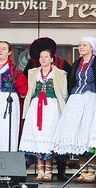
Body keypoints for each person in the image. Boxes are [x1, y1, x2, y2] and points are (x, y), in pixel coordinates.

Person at [22, 37, 72, 181]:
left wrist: (64, 111)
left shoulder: (60, 73)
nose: (43, 59)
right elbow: (30, 91)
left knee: (48, 137)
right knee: (37, 138)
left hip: (51, 107)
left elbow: (63, 94)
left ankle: (49, 171)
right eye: (41, 57)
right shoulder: (33, 72)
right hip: (36, 107)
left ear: (52, 59)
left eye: (46, 57)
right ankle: (40, 171)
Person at [51, 36, 96, 183]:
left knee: (88, 133)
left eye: (84, 45)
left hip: (91, 98)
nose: (81, 47)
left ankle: (92, 171)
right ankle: (83, 170)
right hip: (77, 98)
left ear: (91, 47)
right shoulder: (77, 63)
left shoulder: (95, 62)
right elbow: (72, 81)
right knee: (78, 133)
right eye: (80, 45)